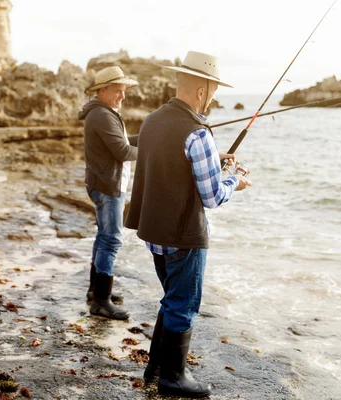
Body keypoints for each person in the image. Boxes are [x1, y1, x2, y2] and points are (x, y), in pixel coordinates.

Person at [125, 51, 252, 397]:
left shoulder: (152, 121)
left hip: (154, 233)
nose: (212, 98)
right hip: (183, 235)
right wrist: (235, 182)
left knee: (171, 298)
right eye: (212, 91)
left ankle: (155, 367)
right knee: (183, 304)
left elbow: (168, 160)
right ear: (200, 91)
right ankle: (173, 377)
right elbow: (212, 196)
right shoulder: (198, 134)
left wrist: (217, 158)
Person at [78, 66, 139, 320]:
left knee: (104, 236)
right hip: (107, 186)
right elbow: (123, 152)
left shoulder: (102, 112)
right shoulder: (102, 115)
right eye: (118, 91)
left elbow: (122, 142)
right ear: (102, 90)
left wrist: (151, 139)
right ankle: (101, 301)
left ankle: (96, 291)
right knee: (112, 239)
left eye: (124, 91)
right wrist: (157, 153)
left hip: (102, 182)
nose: (123, 97)